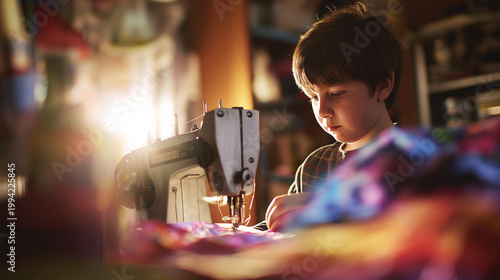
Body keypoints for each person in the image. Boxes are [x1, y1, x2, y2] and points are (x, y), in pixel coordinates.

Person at [261, 1, 404, 231]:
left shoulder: (414, 159)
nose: (322, 111)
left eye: (336, 93)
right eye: (313, 97)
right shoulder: (314, 166)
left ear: (383, 85)